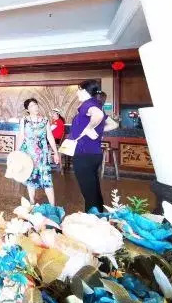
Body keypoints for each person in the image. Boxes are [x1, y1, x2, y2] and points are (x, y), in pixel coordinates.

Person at [69, 80, 118, 212]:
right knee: (94, 190)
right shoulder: (96, 104)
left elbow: (98, 115)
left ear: (85, 91)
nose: (77, 93)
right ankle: (100, 217)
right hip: (94, 154)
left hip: (84, 154)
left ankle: (92, 220)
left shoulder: (87, 104)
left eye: (79, 90)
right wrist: (97, 130)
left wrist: (89, 128)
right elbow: (114, 124)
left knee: (89, 194)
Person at [18, 98, 60, 205]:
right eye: (32, 106)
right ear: (27, 109)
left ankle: (52, 206)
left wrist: (55, 152)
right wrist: (16, 152)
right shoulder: (24, 120)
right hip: (29, 154)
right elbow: (21, 136)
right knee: (30, 178)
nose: (35, 107)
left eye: (36, 105)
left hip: (42, 155)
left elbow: (50, 136)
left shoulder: (45, 120)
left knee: (47, 178)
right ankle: (32, 202)